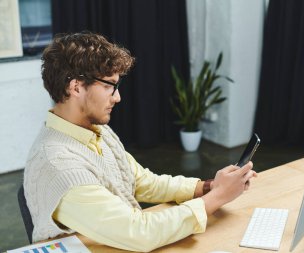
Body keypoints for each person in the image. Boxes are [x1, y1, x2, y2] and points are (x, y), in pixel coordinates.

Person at [24, 31, 257, 252]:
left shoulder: (95, 130)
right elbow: (138, 232)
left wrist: (208, 187)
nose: (117, 97)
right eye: (108, 86)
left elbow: (142, 181)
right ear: (75, 87)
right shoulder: (59, 165)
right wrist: (217, 198)